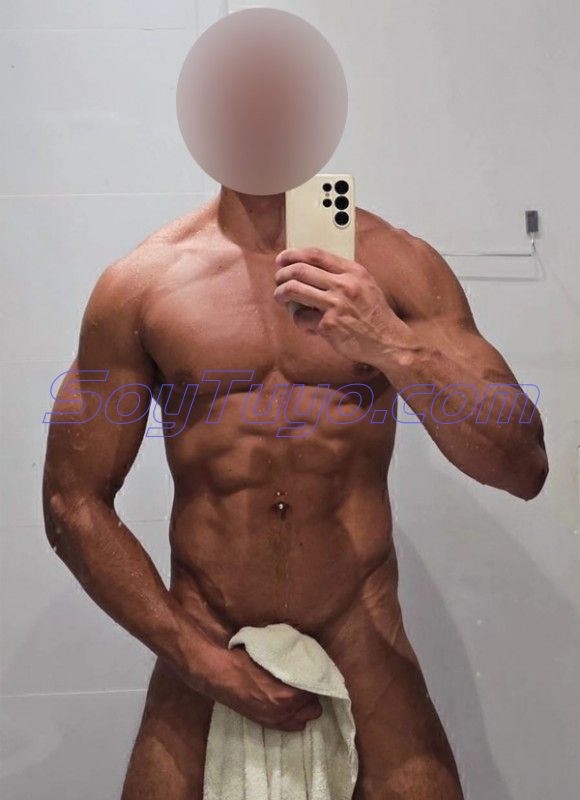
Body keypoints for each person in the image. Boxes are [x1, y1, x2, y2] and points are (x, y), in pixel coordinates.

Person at [42, 186, 548, 799]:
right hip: (205, 632)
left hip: (363, 631)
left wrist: (388, 343)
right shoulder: (143, 282)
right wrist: (200, 662)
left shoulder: (398, 266)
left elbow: (523, 466)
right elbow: (72, 503)